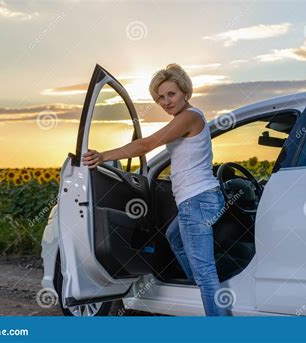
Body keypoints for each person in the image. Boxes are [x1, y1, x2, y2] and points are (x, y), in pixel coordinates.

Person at [82, 63, 228, 316]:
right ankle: (203, 294)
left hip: (197, 200)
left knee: (206, 275)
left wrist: (103, 155)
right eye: (160, 97)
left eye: (171, 94)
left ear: (185, 92)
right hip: (195, 200)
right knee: (175, 239)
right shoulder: (186, 118)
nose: (165, 101)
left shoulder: (189, 117)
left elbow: (146, 144)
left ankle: (212, 307)